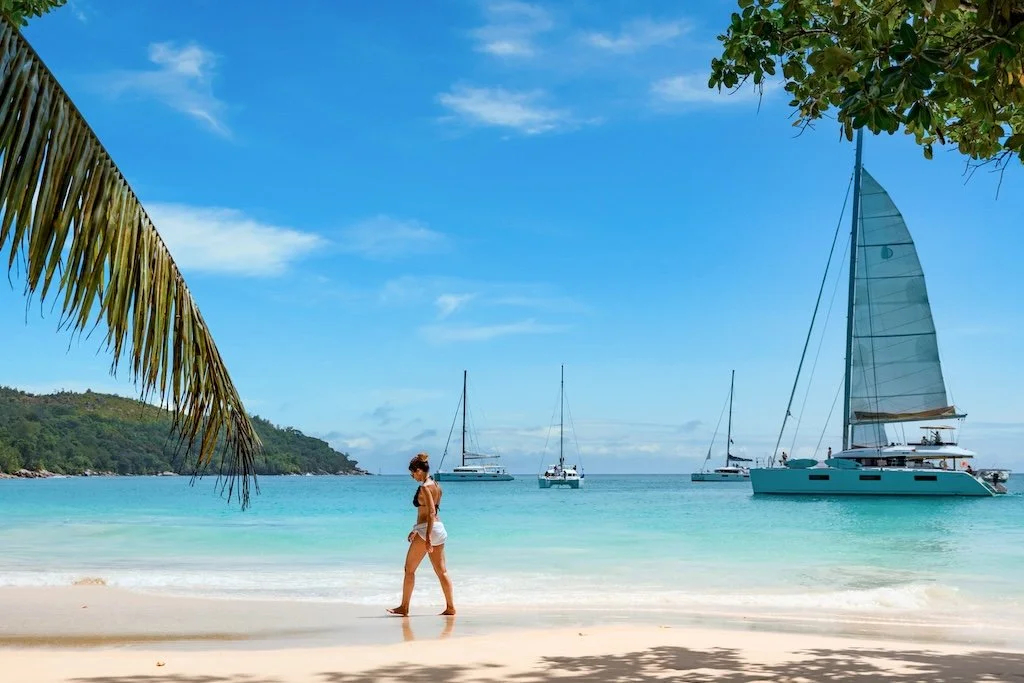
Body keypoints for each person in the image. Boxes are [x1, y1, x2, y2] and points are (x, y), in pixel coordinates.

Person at [387, 452, 456, 617]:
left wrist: (428, 538)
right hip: (438, 528)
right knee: (442, 571)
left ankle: (404, 607)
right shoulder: (437, 485)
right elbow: (432, 512)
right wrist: (416, 529)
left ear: (419, 470)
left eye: (413, 473)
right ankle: (450, 607)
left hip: (428, 531)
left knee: (409, 569)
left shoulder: (425, 487)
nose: (412, 477)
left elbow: (430, 512)